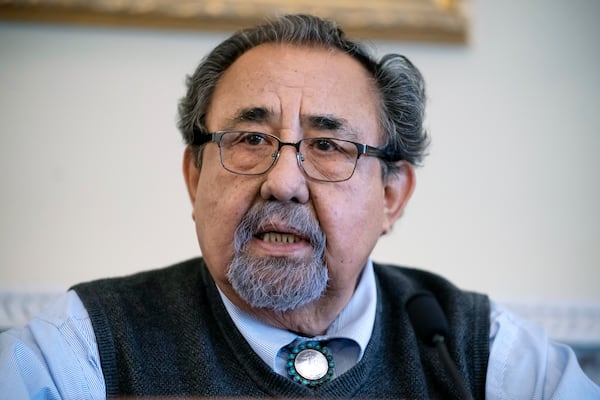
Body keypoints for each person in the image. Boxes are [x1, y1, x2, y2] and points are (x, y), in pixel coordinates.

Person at [1, 13, 598, 400]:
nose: (283, 182)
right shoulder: (84, 347)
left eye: (329, 146)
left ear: (391, 195)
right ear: (194, 175)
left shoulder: (477, 350)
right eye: (251, 140)